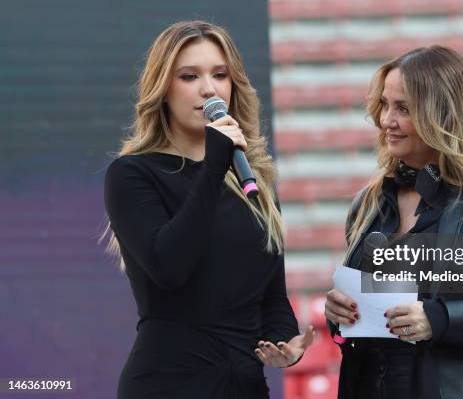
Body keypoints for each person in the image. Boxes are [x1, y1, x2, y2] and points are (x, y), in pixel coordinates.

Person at [103, 20, 314, 398]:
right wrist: (214, 167)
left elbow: (272, 297)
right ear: (163, 89)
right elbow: (169, 266)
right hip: (168, 382)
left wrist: (284, 345)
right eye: (189, 76)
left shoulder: (254, 180)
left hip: (245, 385)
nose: (209, 89)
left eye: (220, 75)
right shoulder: (132, 174)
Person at [324, 46, 463, 398]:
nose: (386, 121)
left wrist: (438, 318)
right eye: (384, 104)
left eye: (403, 109)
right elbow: (362, 317)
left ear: (443, 115)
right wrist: (338, 315)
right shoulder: (368, 203)